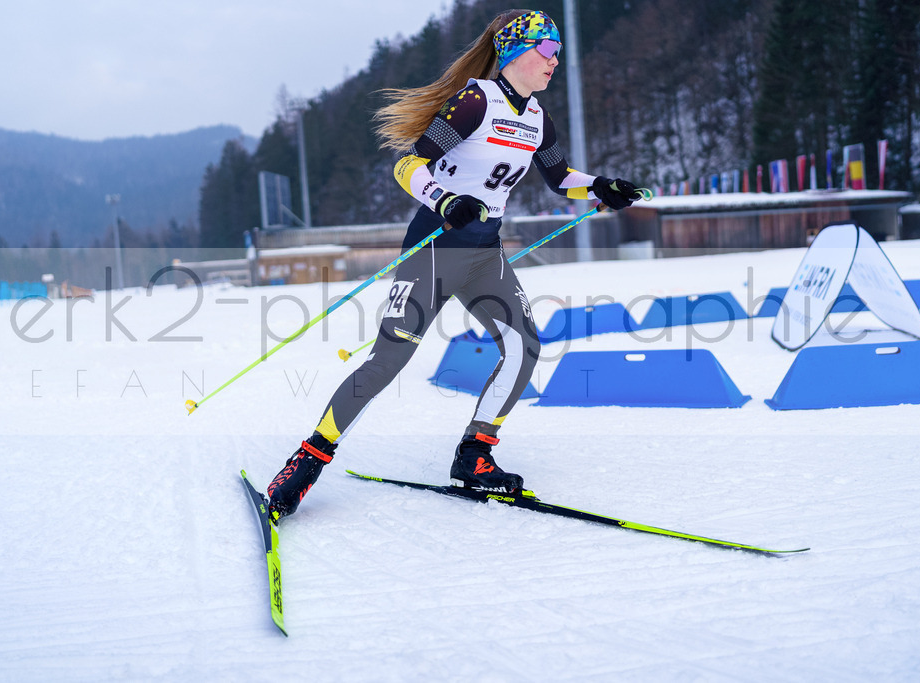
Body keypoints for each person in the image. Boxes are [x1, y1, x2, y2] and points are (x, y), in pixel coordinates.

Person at [266, 9, 641, 521]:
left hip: (485, 255)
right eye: (548, 50)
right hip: (434, 250)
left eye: (558, 51)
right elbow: (408, 164)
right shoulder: (476, 101)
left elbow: (560, 177)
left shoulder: (537, 119)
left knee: (524, 346)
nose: (555, 61)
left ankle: (475, 454)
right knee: (389, 361)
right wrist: (443, 199)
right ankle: (307, 460)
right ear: (516, 52)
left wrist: (600, 186)